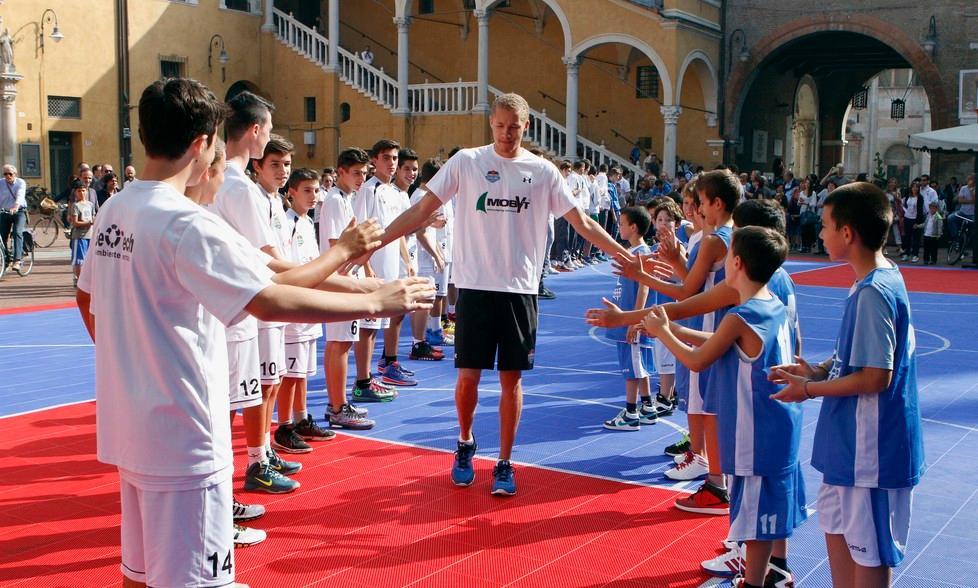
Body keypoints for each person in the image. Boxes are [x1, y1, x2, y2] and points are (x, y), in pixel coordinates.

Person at [75, 77, 433, 588]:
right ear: (201, 145)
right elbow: (269, 299)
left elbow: (85, 297)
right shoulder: (185, 223)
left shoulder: (116, 208)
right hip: (184, 438)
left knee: (141, 573)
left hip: (129, 426)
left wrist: (130, 364)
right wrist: (375, 300)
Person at [378, 92, 631, 495]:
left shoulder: (543, 171)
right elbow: (421, 209)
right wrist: (377, 242)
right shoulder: (467, 162)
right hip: (475, 287)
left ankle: (505, 462)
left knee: (511, 381)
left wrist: (624, 254)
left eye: (514, 127)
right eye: (499, 126)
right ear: (491, 123)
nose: (506, 134)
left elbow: (581, 221)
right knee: (468, 378)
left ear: (525, 126)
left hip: (519, 290)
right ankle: (464, 442)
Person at [770, 181, 923, 588]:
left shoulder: (874, 292)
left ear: (848, 233)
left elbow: (876, 376)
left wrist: (807, 390)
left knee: (868, 552)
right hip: (849, 447)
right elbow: (859, 356)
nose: (820, 233)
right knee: (839, 534)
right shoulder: (874, 281)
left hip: (870, 451)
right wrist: (819, 370)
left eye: (825, 225)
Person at [643, 226, 805, 588]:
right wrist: (675, 329)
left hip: (755, 431)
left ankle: (755, 581)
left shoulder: (740, 316)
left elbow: (698, 360)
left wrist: (664, 332)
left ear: (737, 263)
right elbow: (722, 341)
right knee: (768, 510)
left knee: (755, 517)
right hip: (779, 425)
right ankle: (773, 572)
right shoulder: (772, 306)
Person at [211, 92, 302, 494]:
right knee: (239, 397)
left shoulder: (218, 182)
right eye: (267, 129)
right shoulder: (238, 187)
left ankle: (255, 459)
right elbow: (269, 260)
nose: (268, 137)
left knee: (244, 393)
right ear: (254, 130)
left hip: (230, 307)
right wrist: (337, 279)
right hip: (244, 307)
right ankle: (240, 474)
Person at [320, 147, 381, 429]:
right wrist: (362, 257)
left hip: (345, 276)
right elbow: (337, 245)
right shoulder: (335, 200)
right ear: (340, 172)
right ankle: (337, 407)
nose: (361, 178)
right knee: (340, 343)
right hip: (339, 278)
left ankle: (337, 402)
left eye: (364, 173)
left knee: (341, 342)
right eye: (356, 173)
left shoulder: (346, 199)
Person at [356, 139, 417, 388]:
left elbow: (398, 230)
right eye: (386, 158)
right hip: (374, 266)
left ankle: (388, 364)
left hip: (393, 265)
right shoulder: (368, 190)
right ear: (374, 160)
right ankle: (364, 379)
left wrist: (407, 260)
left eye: (394, 158)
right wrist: (366, 265)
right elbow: (361, 230)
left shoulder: (395, 193)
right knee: (369, 324)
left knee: (394, 315)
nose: (391, 163)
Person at [603, 206, 657, 431]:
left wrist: (634, 320)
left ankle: (631, 412)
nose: (619, 227)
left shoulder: (641, 254)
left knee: (632, 368)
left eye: (622, 224)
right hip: (628, 317)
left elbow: (644, 287)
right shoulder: (632, 252)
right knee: (638, 365)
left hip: (632, 320)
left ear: (633, 227)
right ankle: (647, 406)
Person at [409, 158, 452, 360]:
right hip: (421, 257)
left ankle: (424, 339)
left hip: (428, 255)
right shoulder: (421, 197)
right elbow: (419, 231)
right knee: (423, 300)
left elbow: (426, 227)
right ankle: (420, 342)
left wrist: (437, 252)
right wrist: (435, 253)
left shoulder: (428, 195)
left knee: (429, 299)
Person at [0, 164, 27, 272]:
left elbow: (20, 195)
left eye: (10, 174)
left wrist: (15, 206)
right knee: (2, 236)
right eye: (5, 174)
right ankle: (6, 259)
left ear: (15, 174)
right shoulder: (1, 183)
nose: (8, 176)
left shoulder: (20, 182)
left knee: (17, 232)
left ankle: (17, 260)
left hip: (19, 212)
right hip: (5, 212)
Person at [68, 179, 94, 286]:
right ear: (75, 192)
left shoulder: (90, 204)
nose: (81, 193)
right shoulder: (75, 205)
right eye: (79, 191)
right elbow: (75, 222)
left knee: (89, 260)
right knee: (79, 261)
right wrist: (88, 223)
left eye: (83, 190)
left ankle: (88, 281)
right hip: (79, 236)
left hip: (90, 236)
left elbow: (93, 217)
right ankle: (79, 281)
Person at [901, 181, 924, 263]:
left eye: (916, 187)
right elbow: (905, 206)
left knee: (916, 238)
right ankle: (906, 253)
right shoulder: (908, 196)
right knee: (907, 237)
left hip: (915, 219)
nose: (915, 189)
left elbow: (920, 210)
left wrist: (917, 222)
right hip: (907, 218)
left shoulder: (920, 197)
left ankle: (915, 255)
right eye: (913, 187)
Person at [948, 173, 975, 241]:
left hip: (973, 214)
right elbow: (960, 200)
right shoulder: (963, 188)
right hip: (962, 212)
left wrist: (971, 191)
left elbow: (975, 199)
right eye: (968, 179)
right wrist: (971, 201)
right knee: (950, 218)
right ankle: (956, 237)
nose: (968, 181)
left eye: (970, 179)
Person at [920, 201, 943, 265]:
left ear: (936, 209)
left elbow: (940, 227)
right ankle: (926, 260)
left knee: (933, 249)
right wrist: (918, 226)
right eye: (930, 208)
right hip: (927, 234)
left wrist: (938, 235)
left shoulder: (938, 217)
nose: (931, 210)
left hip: (934, 236)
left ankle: (933, 260)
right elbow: (925, 224)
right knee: (926, 249)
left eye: (933, 208)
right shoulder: (928, 215)